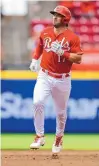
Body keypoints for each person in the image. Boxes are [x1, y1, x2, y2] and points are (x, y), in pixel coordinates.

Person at [29, 5, 83, 155]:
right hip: (44, 75)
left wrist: (63, 53)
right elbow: (40, 45)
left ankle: (59, 137)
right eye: (54, 14)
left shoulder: (73, 37)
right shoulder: (45, 32)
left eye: (58, 15)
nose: (54, 17)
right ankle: (39, 136)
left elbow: (78, 59)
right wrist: (35, 59)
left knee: (60, 112)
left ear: (65, 19)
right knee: (37, 102)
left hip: (63, 79)